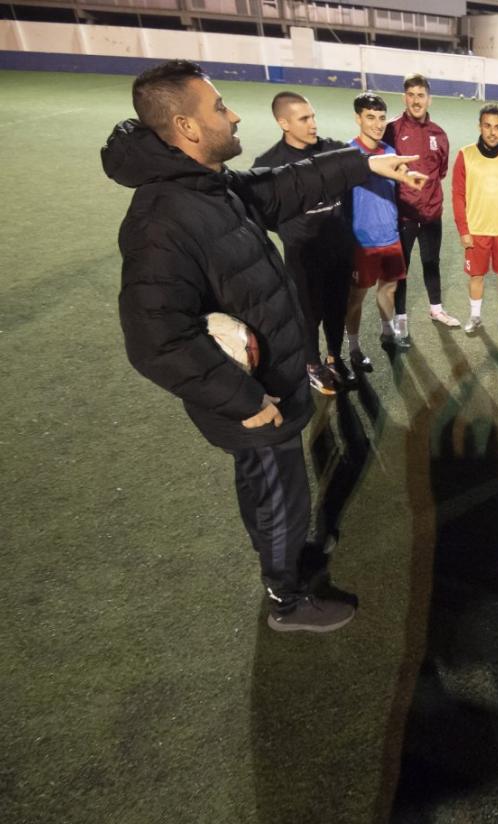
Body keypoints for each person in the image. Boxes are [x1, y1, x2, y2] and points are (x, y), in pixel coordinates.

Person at [104, 60, 426, 631]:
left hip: (257, 391)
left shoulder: (202, 186)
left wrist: (363, 163)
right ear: (187, 126)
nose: (231, 115)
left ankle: (274, 562)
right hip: (253, 400)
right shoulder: (163, 218)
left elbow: (282, 185)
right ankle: (288, 600)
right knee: (284, 497)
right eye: (219, 107)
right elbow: (154, 338)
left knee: (262, 485)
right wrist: (247, 400)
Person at [252, 92, 355, 394]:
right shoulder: (269, 165)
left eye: (313, 117)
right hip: (303, 256)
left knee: (337, 310)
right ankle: (312, 365)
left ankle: (335, 358)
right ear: (283, 122)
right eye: (304, 119)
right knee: (308, 315)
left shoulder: (334, 151)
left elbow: (349, 194)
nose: (313, 125)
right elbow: (264, 214)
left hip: (339, 249)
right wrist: (293, 230)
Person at [382, 73, 462, 330]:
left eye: (421, 96)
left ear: (429, 99)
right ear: (404, 97)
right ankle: (401, 318)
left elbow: (440, 171)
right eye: (411, 95)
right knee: (401, 268)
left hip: (431, 213)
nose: (416, 101)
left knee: (432, 262)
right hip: (403, 214)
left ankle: (436, 310)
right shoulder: (391, 130)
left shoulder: (439, 134)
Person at [452, 102, 498, 334]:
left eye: (497, 127)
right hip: (477, 230)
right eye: (487, 126)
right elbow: (458, 195)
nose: (493, 132)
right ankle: (475, 316)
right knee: (476, 276)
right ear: (480, 127)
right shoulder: (465, 155)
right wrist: (464, 230)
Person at [346, 92, 410, 367]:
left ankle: (387, 331)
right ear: (358, 118)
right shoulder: (348, 154)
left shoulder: (391, 152)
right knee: (356, 297)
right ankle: (354, 346)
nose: (377, 123)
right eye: (370, 117)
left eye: (382, 118)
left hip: (390, 236)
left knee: (389, 288)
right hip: (363, 241)